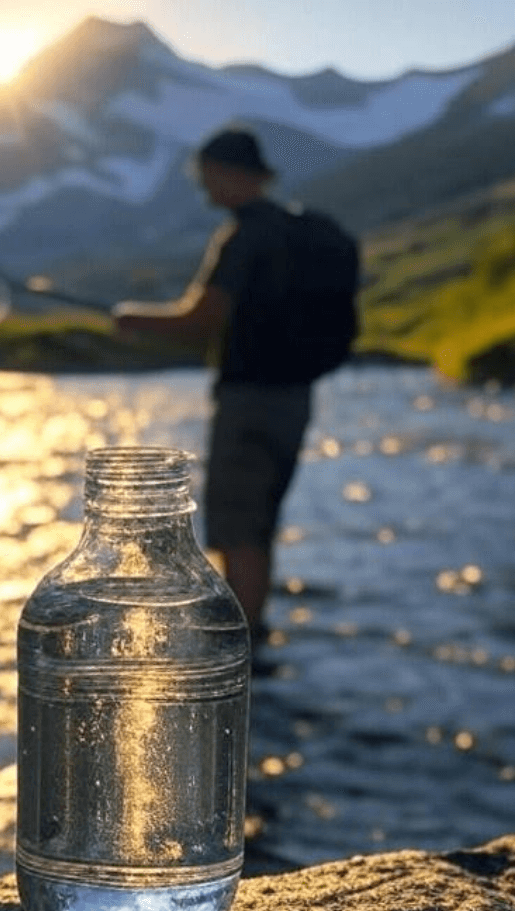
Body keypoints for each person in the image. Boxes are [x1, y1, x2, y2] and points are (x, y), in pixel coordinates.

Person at [112, 127, 356, 647]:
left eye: (207, 179)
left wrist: (134, 319)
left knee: (236, 525)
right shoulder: (295, 231)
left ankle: (236, 647)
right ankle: (255, 631)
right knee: (261, 522)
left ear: (228, 173)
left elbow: (201, 319)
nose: (206, 192)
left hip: (249, 402)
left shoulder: (245, 236)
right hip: (296, 399)